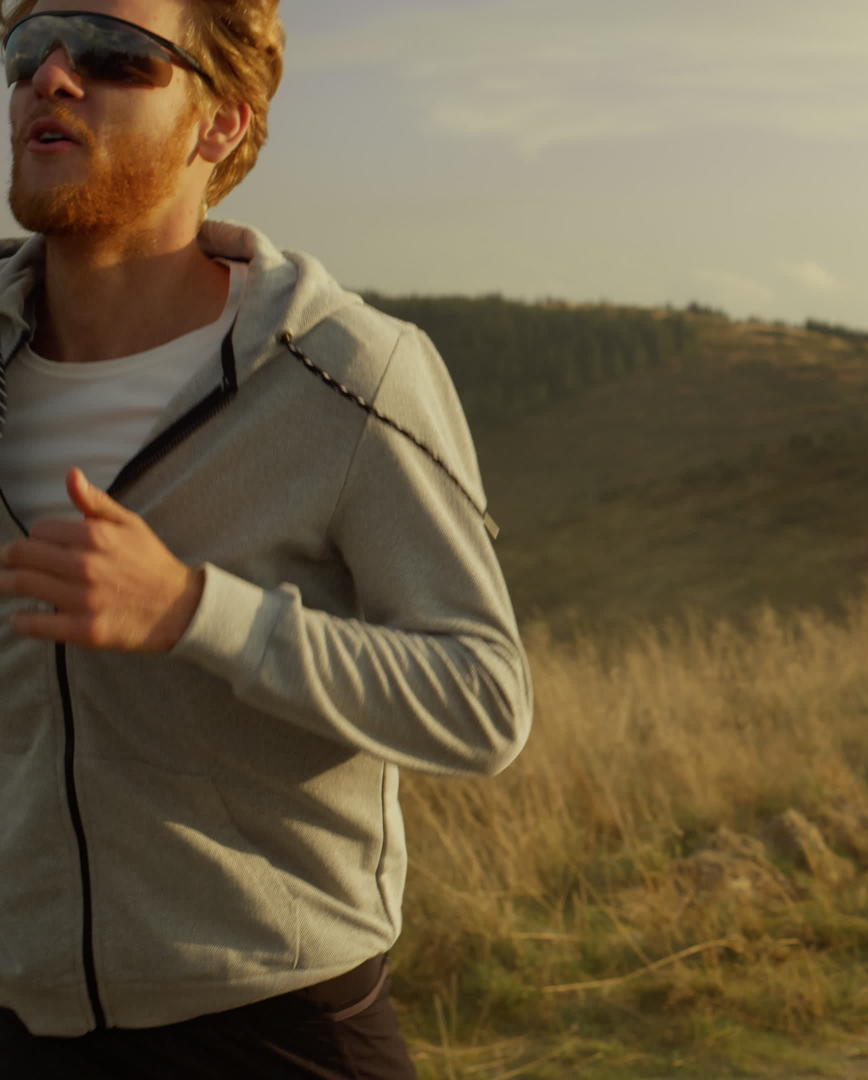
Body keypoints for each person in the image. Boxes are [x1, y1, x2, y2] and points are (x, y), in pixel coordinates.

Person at [0, 0, 534, 1076]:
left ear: (220, 126)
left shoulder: (346, 368)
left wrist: (200, 614)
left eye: (111, 54)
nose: (50, 80)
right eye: (26, 46)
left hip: (272, 1027)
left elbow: (482, 699)